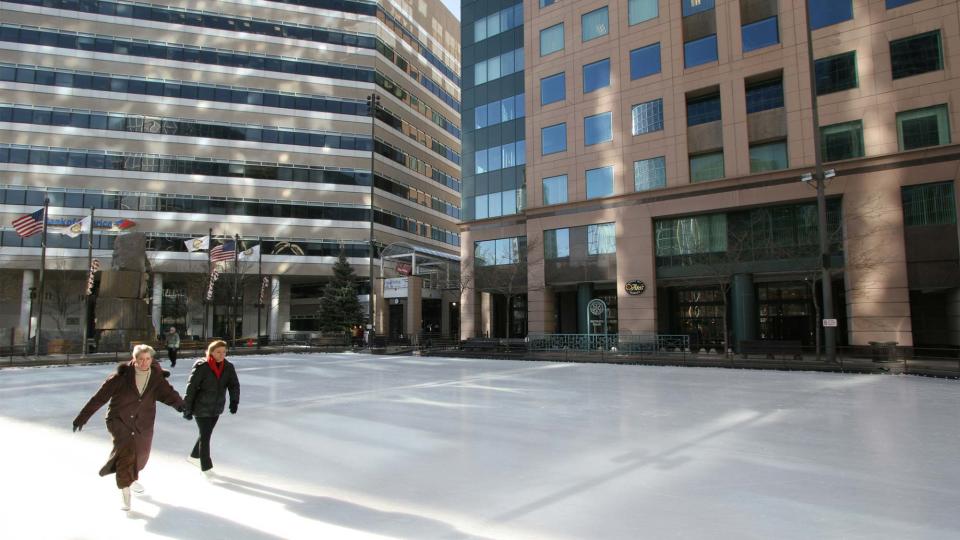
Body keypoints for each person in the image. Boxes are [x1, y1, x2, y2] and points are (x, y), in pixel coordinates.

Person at [73, 344, 184, 511]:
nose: (144, 363)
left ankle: (131, 477)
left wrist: (182, 406)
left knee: (141, 454)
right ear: (134, 359)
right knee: (127, 452)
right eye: (140, 359)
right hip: (119, 420)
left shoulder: (156, 378)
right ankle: (126, 492)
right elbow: (99, 398)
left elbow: (169, 394)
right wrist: (82, 417)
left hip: (143, 422)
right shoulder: (121, 377)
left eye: (148, 359)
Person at [182, 340, 240, 477]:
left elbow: (234, 385)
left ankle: (193, 456)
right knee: (206, 436)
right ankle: (206, 468)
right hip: (200, 407)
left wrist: (234, 401)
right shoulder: (203, 366)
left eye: (224, 352)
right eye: (218, 352)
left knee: (205, 434)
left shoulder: (228, 367)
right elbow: (191, 388)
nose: (221, 355)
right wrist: (187, 408)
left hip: (216, 407)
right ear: (211, 352)